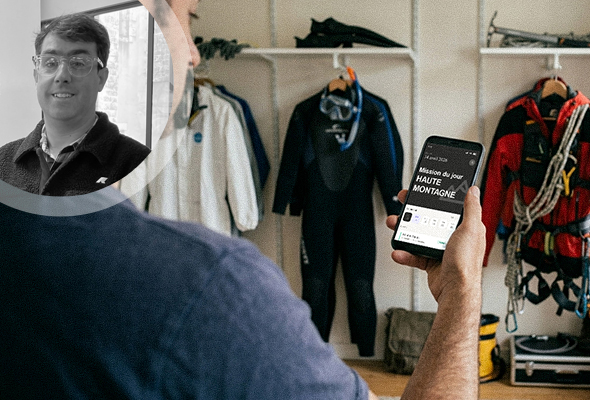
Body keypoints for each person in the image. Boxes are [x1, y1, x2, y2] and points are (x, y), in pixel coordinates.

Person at [0, 1, 485, 399]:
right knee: (320, 286)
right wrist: (460, 291)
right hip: (278, 232)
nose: (193, 55)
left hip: (342, 214)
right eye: (187, 19)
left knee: (356, 283)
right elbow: (291, 164)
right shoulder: (209, 287)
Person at [0, 13, 150, 196]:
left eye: (78, 63)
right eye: (50, 62)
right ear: (36, 76)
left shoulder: (138, 164)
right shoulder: (3, 162)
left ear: (101, 78)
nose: (62, 76)